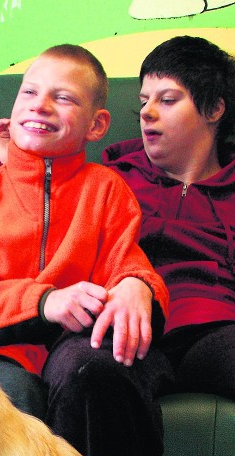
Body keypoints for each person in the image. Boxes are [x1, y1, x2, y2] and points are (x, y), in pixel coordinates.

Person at [0, 44, 173, 456]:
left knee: (94, 371)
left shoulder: (107, 190)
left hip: (77, 348)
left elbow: (127, 264)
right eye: (29, 93)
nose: (39, 105)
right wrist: (44, 301)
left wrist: (136, 285)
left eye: (62, 98)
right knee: (1, 396)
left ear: (97, 124)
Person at [102, 36, 235, 400]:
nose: (146, 112)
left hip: (211, 330)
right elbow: (41, 215)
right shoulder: (111, 178)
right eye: (144, 101)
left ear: (214, 110)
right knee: (87, 370)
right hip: (125, 327)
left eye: (168, 99)